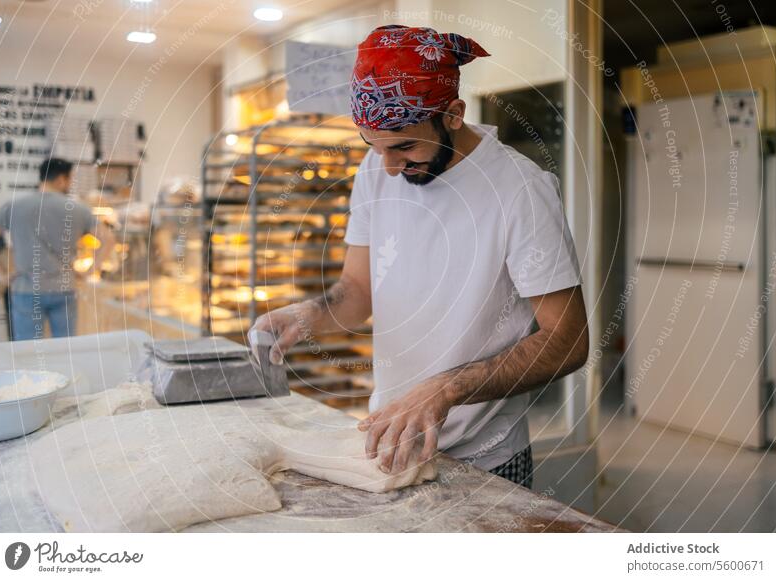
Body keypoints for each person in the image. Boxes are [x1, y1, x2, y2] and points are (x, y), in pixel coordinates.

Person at [250, 25, 589, 489]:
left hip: (484, 457)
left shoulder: (520, 190)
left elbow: (567, 340)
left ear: (452, 114)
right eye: (375, 146)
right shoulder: (378, 168)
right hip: (388, 443)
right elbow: (358, 293)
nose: (389, 166)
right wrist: (305, 315)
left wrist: (447, 389)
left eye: (404, 146)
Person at [0, 158, 114, 340]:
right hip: (64, 289)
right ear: (61, 179)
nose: (70, 184)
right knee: (64, 350)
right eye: (70, 179)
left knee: (28, 352)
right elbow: (108, 240)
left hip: (26, 289)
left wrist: (1, 275)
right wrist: (90, 271)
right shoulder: (78, 209)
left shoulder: (14, 206)